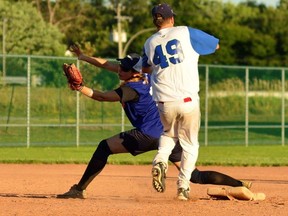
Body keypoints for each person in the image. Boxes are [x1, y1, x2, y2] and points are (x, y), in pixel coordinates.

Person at [57, 45, 251, 199]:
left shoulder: (131, 89)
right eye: (121, 65)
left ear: (133, 72)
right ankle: (240, 185)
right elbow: (107, 64)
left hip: (145, 135)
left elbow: (101, 97)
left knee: (103, 147)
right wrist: (83, 56)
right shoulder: (147, 76)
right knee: (194, 174)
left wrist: (80, 87)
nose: (120, 69)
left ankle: (79, 189)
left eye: (124, 68)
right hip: (167, 135)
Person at [142, 3, 220, 200]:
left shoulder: (149, 42)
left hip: (164, 102)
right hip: (187, 100)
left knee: (169, 134)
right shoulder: (186, 32)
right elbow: (215, 45)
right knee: (190, 145)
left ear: (155, 21)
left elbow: (145, 68)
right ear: (172, 18)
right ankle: (183, 187)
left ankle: (160, 160)